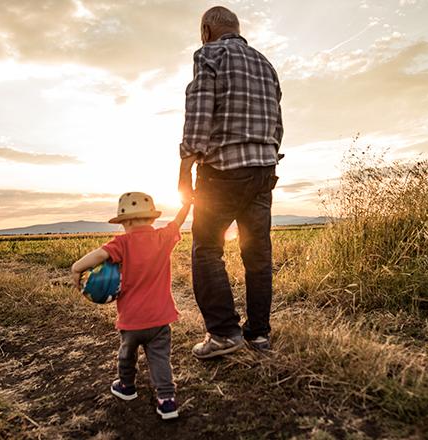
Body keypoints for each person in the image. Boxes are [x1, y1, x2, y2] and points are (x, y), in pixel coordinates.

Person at [178, 6, 283, 359]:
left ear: (207, 30)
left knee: (207, 248)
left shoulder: (209, 54)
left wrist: (185, 170)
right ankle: (259, 335)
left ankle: (224, 333)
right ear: (236, 29)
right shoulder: (265, 64)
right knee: (257, 254)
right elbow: (277, 123)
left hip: (224, 172)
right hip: (263, 171)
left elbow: (198, 112)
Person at [71, 192, 190, 420]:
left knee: (126, 354)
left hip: (131, 319)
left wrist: (77, 268)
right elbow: (178, 221)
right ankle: (167, 401)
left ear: (125, 222)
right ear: (152, 219)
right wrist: (186, 205)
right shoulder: (162, 238)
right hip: (160, 318)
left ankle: (127, 387)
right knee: (160, 359)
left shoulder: (122, 243)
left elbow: (98, 256)